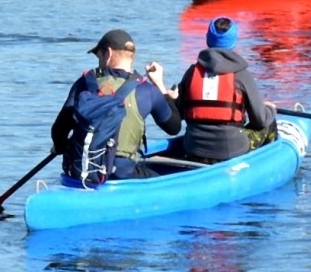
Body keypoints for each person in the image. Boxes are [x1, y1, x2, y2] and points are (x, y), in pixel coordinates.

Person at [50, 28, 183, 184]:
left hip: (84, 173)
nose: (98, 61)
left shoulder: (84, 83)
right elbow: (174, 127)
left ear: (108, 53)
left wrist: (60, 147)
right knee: (162, 177)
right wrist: (161, 86)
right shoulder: (148, 90)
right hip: (123, 173)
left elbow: (58, 129)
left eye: (98, 55)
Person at [171, 17, 277, 164]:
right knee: (269, 124)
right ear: (233, 41)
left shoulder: (192, 72)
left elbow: (179, 112)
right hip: (231, 150)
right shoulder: (241, 74)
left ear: (208, 38)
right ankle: (265, 167)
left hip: (194, 149)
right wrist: (270, 110)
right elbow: (260, 120)